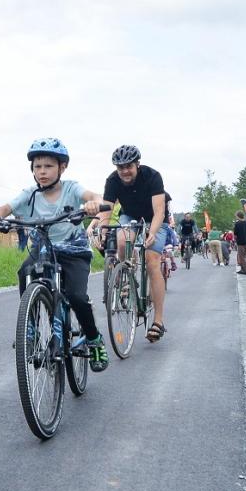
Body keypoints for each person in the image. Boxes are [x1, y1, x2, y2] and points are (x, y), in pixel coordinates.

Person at [0, 138, 109, 372]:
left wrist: (94, 204)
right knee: (25, 271)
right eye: (37, 166)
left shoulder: (72, 188)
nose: (42, 171)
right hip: (43, 248)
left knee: (77, 296)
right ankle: (30, 329)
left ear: (62, 167)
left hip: (74, 251)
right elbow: (7, 207)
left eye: (49, 166)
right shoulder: (30, 194)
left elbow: (95, 196)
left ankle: (94, 339)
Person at [91, 144, 170, 343]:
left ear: (137, 164)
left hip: (155, 219)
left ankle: (158, 321)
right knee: (121, 240)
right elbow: (106, 210)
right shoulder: (112, 180)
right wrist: (102, 228)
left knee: (152, 259)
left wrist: (152, 233)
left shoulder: (152, 176)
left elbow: (159, 210)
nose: (124, 171)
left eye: (129, 166)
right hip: (130, 217)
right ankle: (126, 276)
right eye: (120, 167)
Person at [233, 210, 246, 275]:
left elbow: (235, 233)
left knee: (241, 256)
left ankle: (244, 270)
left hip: (240, 241)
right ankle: (243, 268)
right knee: (244, 255)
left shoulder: (237, 223)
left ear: (238, 216)